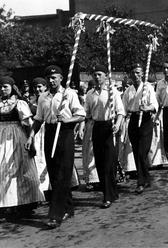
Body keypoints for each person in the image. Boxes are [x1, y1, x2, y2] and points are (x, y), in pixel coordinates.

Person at [25, 65, 86, 229]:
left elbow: (81, 115)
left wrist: (68, 120)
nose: (51, 81)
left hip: (65, 133)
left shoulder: (69, 94)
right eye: (49, 78)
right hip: (50, 133)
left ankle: (55, 215)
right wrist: (31, 136)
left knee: (63, 173)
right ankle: (68, 207)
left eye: (54, 78)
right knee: (54, 173)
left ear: (61, 78)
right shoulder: (43, 97)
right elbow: (38, 119)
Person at [0, 76, 44, 217]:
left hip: (16, 138)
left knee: (19, 170)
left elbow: (27, 124)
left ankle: (24, 203)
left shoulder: (19, 103)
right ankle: (6, 203)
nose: (2, 89)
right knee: (3, 170)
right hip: (1, 138)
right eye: (0, 87)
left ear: (12, 87)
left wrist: (30, 142)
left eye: (5, 86)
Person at [85, 65, 125, 208]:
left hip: (110, 127)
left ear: (106, 76)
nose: (97, 77)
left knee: (109, 162)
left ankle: (108, 195)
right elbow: (87, 114)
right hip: (97, 128)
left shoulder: (112, 92)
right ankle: (109, 192)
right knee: (100, 163)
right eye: (95, 74)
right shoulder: (90, 94)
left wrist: (117, 124)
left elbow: (120, 111)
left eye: (100, 74)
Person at [122, 63, 158, 194]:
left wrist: (146, 108)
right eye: (133, 73)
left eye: (138, 73)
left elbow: (154, 105)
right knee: (137, 151)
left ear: (142, 74)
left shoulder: (147, 87)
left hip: (146, 120)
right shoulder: (128, 90)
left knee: (142, 152)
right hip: (133, 120)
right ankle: (146, 177)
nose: (135, 75)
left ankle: (141, 181)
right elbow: (124, 108)